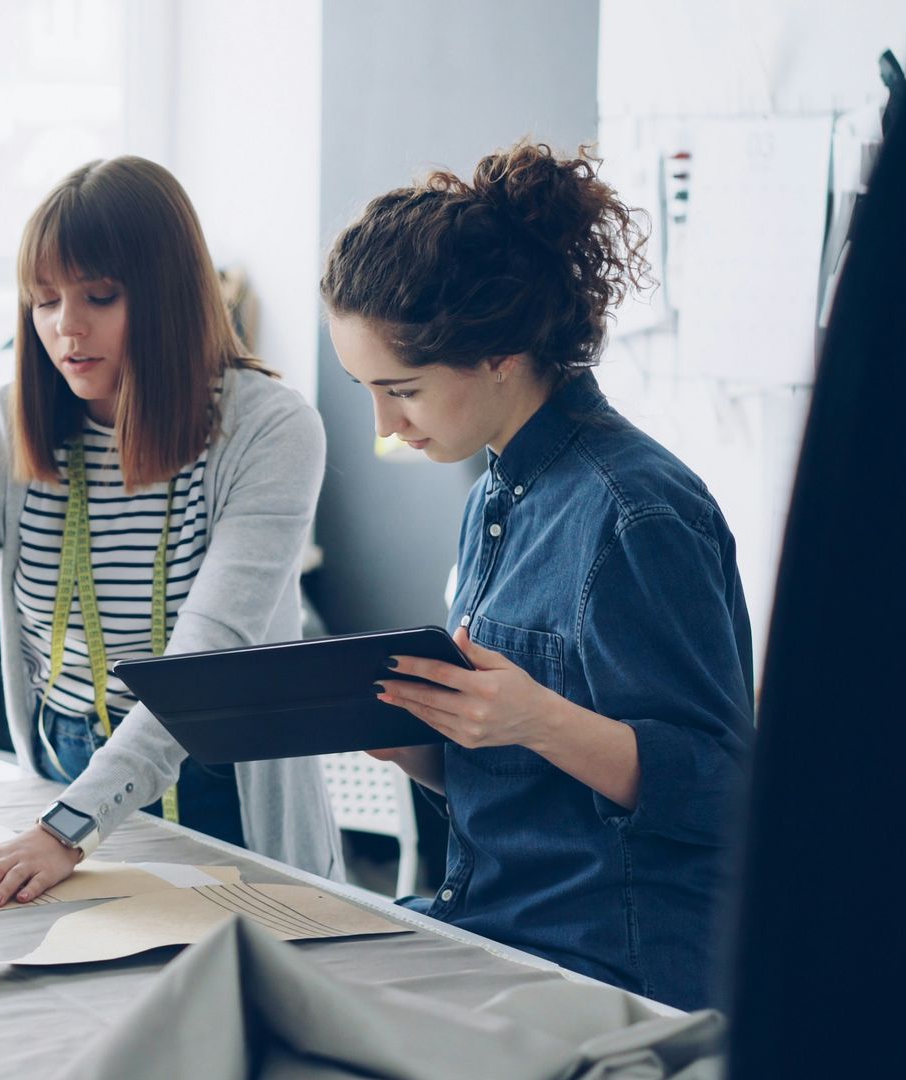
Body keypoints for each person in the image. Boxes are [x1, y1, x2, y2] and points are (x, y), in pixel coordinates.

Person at [320, 140, 753, 1011]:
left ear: (501, 353)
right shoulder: (495, 495)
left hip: (612, 971)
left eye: (400, 388)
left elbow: (726, 797)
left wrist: (538, 718)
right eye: (365, 387)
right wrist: (425, 745)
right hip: (492, 931)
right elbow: (540, 790)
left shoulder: (638, 513)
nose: (383, 421)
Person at [0, 155, 338, 908]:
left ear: (170, 296)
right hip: (61, 770)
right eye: (43, 302)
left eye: (99, 297)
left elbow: (204, 666)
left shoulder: (270, 431)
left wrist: (68, 828)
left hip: (220, 785)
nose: (66, 328)